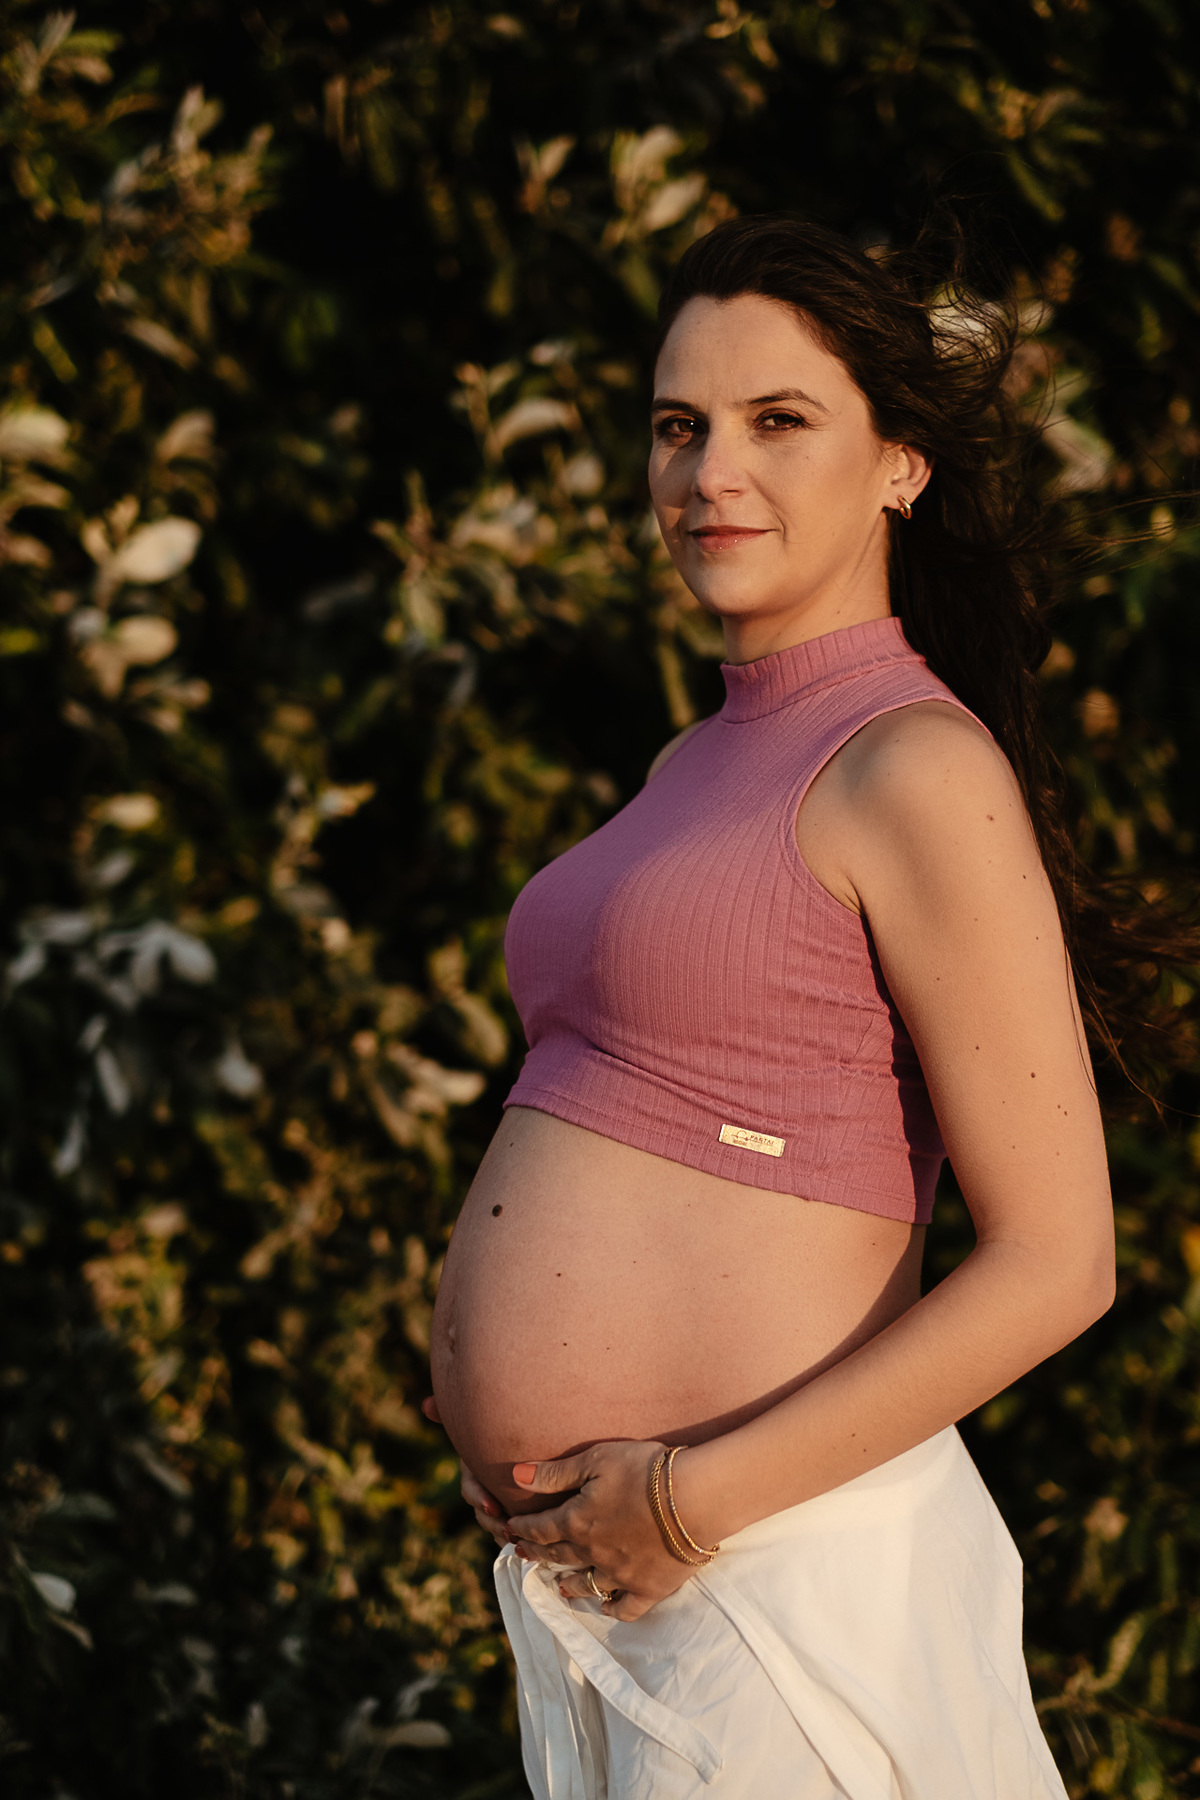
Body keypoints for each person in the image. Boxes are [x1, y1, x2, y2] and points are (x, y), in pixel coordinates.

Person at [423, 215, 1119, 1798]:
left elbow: (1061, 1261)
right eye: (678, 427)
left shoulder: (913, 768)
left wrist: (686, 1497)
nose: (706, 471)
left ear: (900, 466)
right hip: (622, 1596)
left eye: (777, 421)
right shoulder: (690, 766)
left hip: (778, 1582)